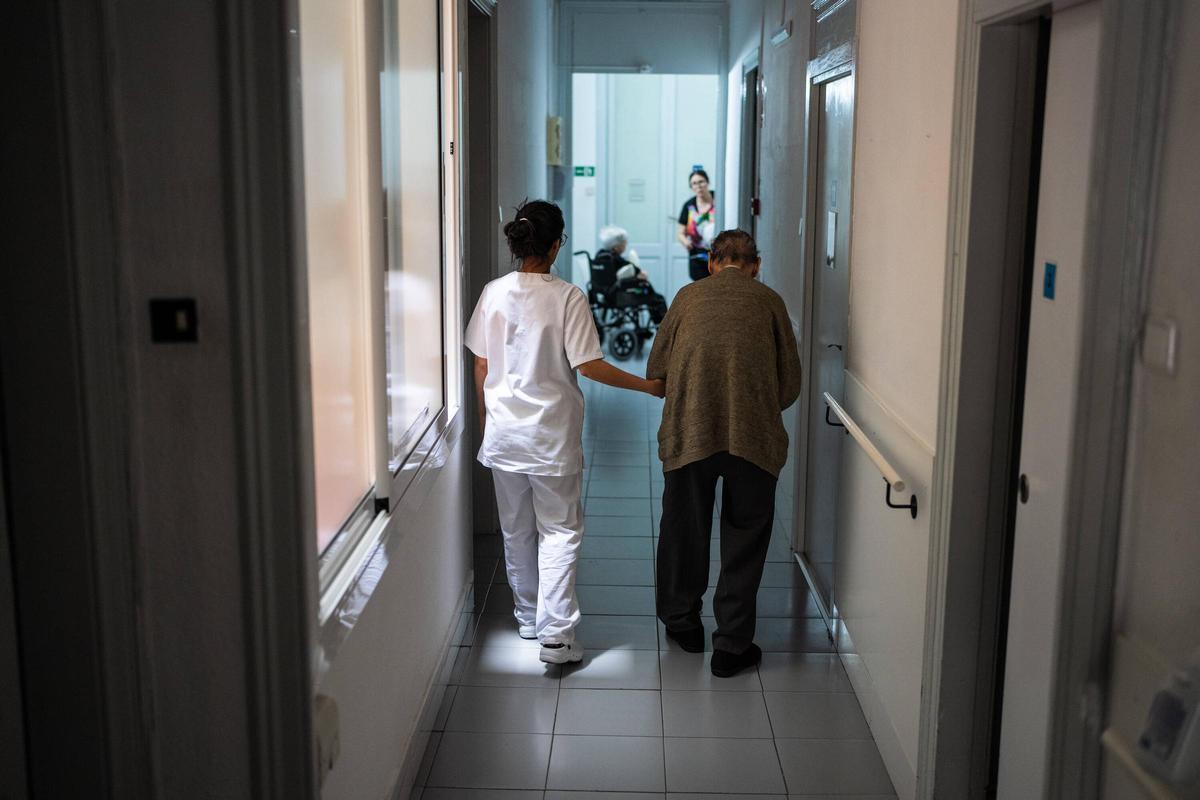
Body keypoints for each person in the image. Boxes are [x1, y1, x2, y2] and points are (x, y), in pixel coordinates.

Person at [465, 199, 665, 665]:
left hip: (503, 436)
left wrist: (483, 419)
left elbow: (480, 362)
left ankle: (528, 617)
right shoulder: (567, 297)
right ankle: (556, 636)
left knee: (516, 531)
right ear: (556, 245)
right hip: (549, 436)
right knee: (559, 530)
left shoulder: (493, 292)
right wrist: (649, 386)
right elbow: (590, 365)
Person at [647, 229, 802, 677]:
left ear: (713, 262)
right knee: (746, 537)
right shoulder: (769, 301)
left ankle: (684, 624)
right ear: (755, 264)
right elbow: (789, 383)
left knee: (683, 531)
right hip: (753, 440)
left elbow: (657, 368)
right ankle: (731, 646)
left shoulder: (686, 298)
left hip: (689, 437)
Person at [594, 225, 668, 324]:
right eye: (624, 244)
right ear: (616, 247)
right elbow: (632, 268)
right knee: (658, 299)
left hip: (604, 296)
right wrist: (640, 274)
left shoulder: (599, 256)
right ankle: (663, 325)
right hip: (619, 296)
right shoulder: (615, 259)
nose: (625, 246)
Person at [676, 169, 717, 282]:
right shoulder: (689, 206)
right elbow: (680, 233)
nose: (698, 186)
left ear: (707, 182)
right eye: (694, 183)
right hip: (697, 257)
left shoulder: (720, 199)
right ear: (691, 187)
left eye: (701, 182)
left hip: (718, 256)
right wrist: (686, 242)